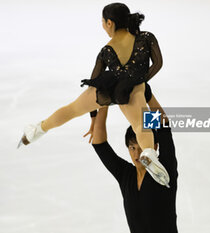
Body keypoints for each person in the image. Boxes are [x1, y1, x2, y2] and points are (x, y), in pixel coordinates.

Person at [17, 2, 170, 187]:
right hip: (130, 90)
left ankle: (36, 130)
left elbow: (94, 79)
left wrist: (93, 116)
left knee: (71, 109)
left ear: (110, 23)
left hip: (106, 88)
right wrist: (138, 81)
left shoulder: (106, 50)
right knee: (140, 124)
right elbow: (158, 63)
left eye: (103, 22)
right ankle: (148, 153)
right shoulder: (145, 38)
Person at [91, 94, 178, 233]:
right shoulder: (126, 175)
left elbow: (163, 127)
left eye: (141, 147)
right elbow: (99, 144)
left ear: (154, 147)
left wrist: (147, 96)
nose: (137, 155)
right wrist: (104, 104)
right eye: (132, 148)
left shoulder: (164, 170)